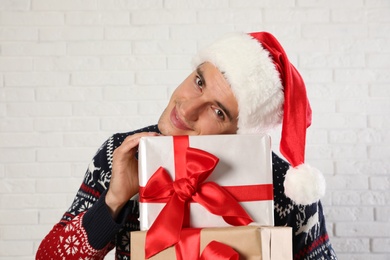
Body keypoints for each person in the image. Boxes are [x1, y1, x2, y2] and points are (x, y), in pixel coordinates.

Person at [36, 31, 337, 259]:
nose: (188, 109)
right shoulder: (123, 153)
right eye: (199, 82)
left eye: (218, 112)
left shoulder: (286, 186)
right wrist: (113, 200)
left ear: (241, 132)